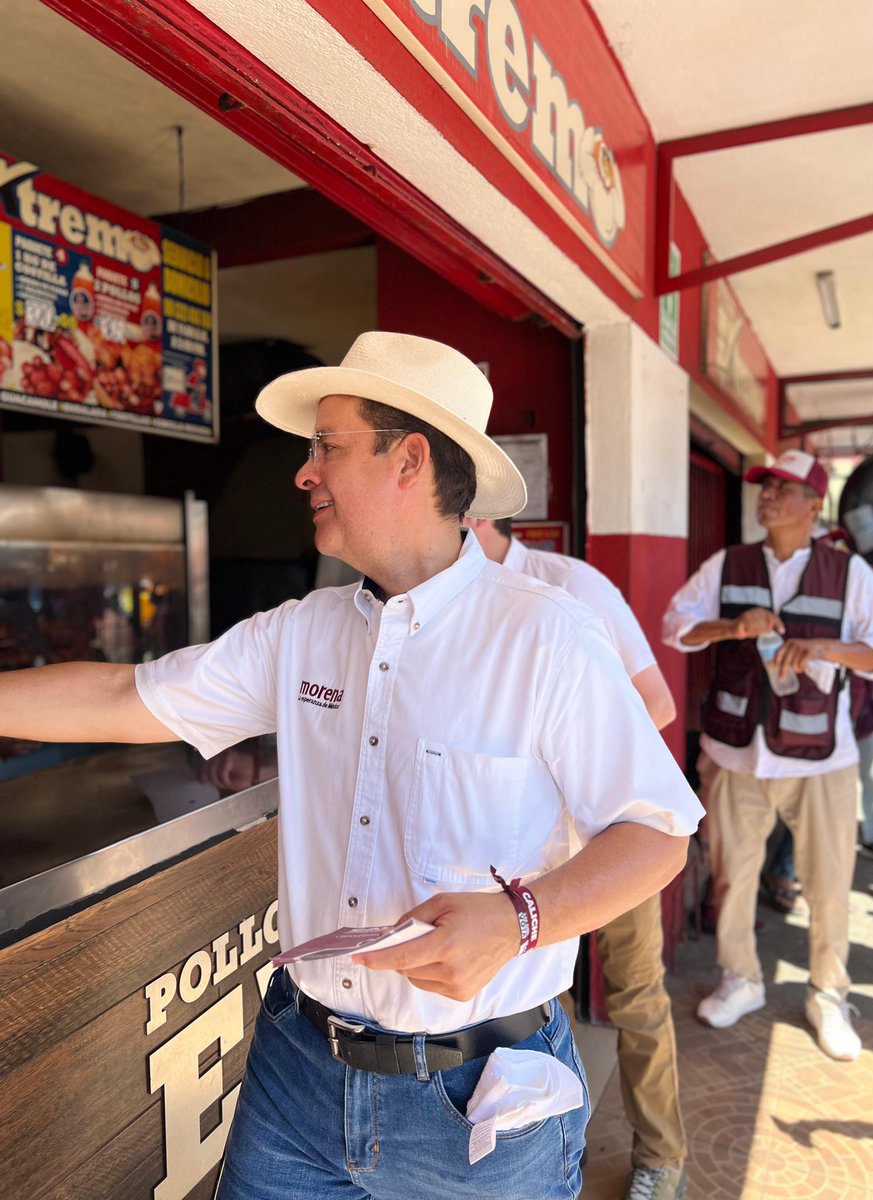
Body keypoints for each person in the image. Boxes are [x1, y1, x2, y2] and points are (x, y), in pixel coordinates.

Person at [0, 332, 702, 1199]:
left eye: (327, 447)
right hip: (299, 1070)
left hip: (479, 1096)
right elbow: (121, 698)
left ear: (410, 460)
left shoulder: (547, 635)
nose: (304, 473)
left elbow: (659, 833)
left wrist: (520, 918)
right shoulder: (303, 631)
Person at [465, 516, 686, 1200]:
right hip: (518, 852)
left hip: (608, 843)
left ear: (475, 513)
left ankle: (662, 1158)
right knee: (529, 1005)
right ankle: (551, 1146)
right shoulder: (453, 600)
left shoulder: (570, 582)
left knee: (636, 994)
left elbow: (658, 702)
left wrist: (565, 759)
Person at [662, 449, 873, 1062]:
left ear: (814, 505)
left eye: (784, 488)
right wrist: (732, 628)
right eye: (766, 486)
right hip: (737, 751)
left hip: (822, 759)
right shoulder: (729, 564)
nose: (768, 496)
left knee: (826, 884)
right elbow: (675, 626)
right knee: (735, 874)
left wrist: (826, 647)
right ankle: (740, 977)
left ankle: (826, 993)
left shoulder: (849, 575)